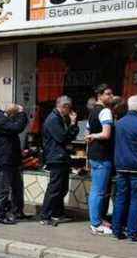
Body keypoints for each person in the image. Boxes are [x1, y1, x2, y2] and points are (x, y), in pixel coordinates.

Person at [112, 95, 137, 241]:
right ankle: (132, 232)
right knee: (136, 199)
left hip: (121, 165)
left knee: (121, 198)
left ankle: (116, 229)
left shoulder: (119, 123)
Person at [39, 96, 79, 226]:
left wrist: (72, 126)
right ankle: (45, 216)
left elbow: (68, 137)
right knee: (55, 188)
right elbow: (62, 138)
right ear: (65, 107)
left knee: (62, 188)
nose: (70, 111)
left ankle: (57, 213)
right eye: (69, 108)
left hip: (60, 157)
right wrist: (73, 124)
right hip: (56, 157)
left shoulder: (59, 118)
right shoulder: (53, 119)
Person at [0, 102, 29, 225]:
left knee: (17, 188)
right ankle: (1, 215)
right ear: (12, 113)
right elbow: (17, 128)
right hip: (4, 161)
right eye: (16, 114)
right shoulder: (1, 120)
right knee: (3, 189)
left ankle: (18, 211)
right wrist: (22, 113)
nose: (17, 117)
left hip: (13, 159)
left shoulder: (6, 119)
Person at [85, 84, 115, 235]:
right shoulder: (105, 111)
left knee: (97, 190)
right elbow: (106, 134)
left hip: (94, 154)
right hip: (103, 155)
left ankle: (97, 219)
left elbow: (88, 130)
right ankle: (96, 223)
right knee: (99, 190)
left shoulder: (92, 112)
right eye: (108, 94)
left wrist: (91, 136)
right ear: (100, 95)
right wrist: (94, 136)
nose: (111, 96)